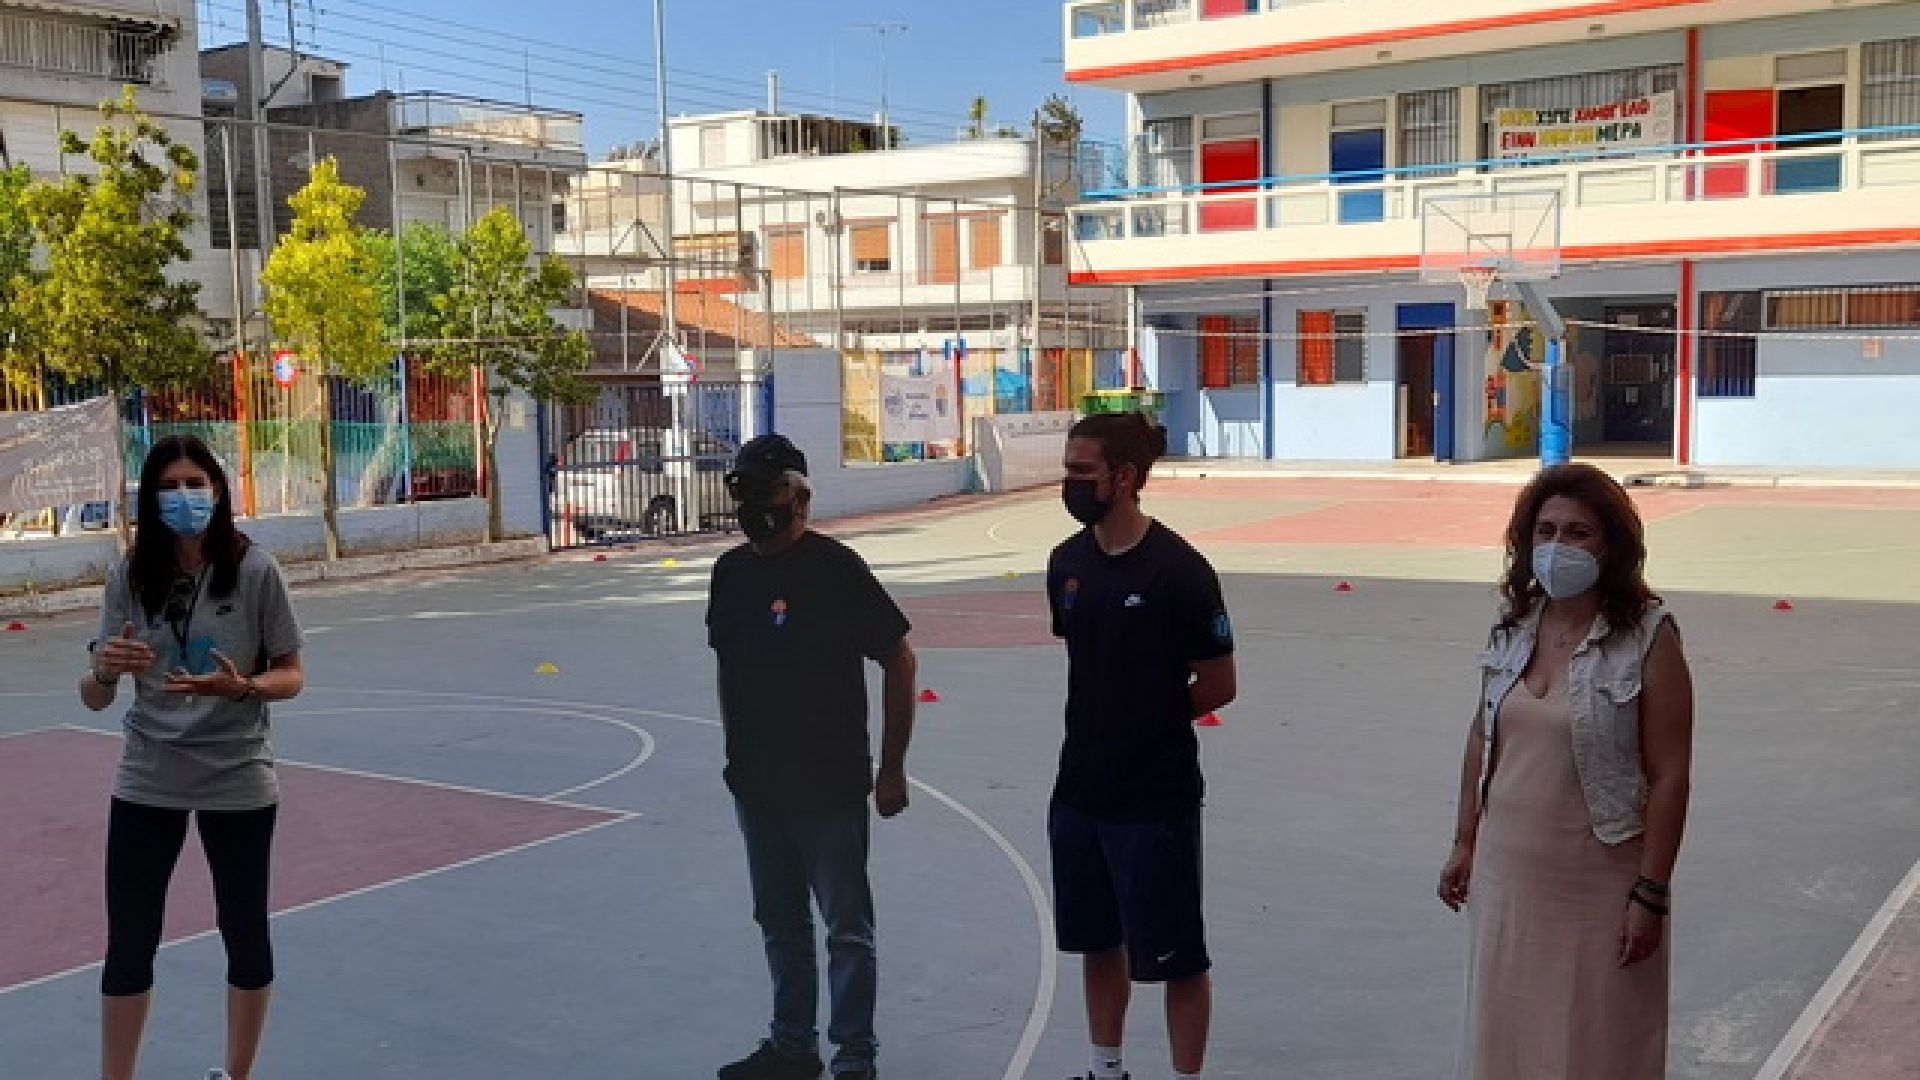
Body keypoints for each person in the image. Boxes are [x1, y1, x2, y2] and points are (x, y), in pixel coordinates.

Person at [1438, 462, 1695, 1079]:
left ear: (1611, 545)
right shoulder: (1513, 627)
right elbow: (1481, 735)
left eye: (1579, 533)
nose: (1559, 546)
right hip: (1507, 878)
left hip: (1599, 886)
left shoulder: (1648, 639)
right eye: (1546, 531)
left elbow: (1671, 775)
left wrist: (1651, 893)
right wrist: (1465, 840)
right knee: (1508, 1042)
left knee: (1595, 1045)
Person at [79, 435, 306, 1080]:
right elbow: (95, 697)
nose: (183, 497)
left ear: (218, 490)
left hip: (237, 774)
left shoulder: (256, 571)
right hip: (149, 774)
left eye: (194, 484)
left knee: (245, 930)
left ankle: (236, 1074)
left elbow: (292, 674)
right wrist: (105, 669)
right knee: (130, 939)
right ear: (151, 499)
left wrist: (244, 686)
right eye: (169, 487)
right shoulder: (129, 575)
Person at [706, 434, 918, 1080]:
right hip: (758, 785)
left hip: (829, 784)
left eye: (767, 491)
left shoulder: (836, 569)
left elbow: (899, 658)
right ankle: (793, 1047)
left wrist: (891, 767)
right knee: (779, 922)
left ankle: (854, 1056)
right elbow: (727, 669)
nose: (754, 504)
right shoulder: (730, 574)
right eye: (743, 490)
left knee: (846, 928)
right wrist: (736, 757)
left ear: (799, 497)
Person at [1046, 412, 1237, 1080]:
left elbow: (1219, 683)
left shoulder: (1180, 571)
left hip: (1154, 798)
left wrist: (1148, 720)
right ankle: (1106, 1068)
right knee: (1098, 942)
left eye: (1081, 471)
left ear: (1124, 477)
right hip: (1079, 792)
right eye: (1067, 469)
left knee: (1178, 958)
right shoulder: (1066, 564)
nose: (1069, 483)